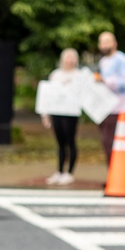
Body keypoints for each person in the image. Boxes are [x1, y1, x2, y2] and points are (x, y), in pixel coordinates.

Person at [41, 48, 91, 185]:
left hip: (71, 113)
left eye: (72, 57)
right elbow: (48, 95)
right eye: (67, 57)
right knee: (60, 143)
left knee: (70, 141)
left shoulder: (80, 76)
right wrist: (45, 115)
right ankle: (59, 171)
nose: (69, 60)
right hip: (56, 112)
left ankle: (69, 172)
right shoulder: (55, 75)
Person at [96, 31, 125, 164]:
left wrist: (105, 80)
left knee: (110, 142)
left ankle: (116, 175)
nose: (104, 45)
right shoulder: (103, 61)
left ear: (114, 43)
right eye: (101, 42)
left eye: (107, 41)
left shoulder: (122, 60)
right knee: (107, 143)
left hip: (118, 108)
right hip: (105, 108)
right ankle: (112, 174)